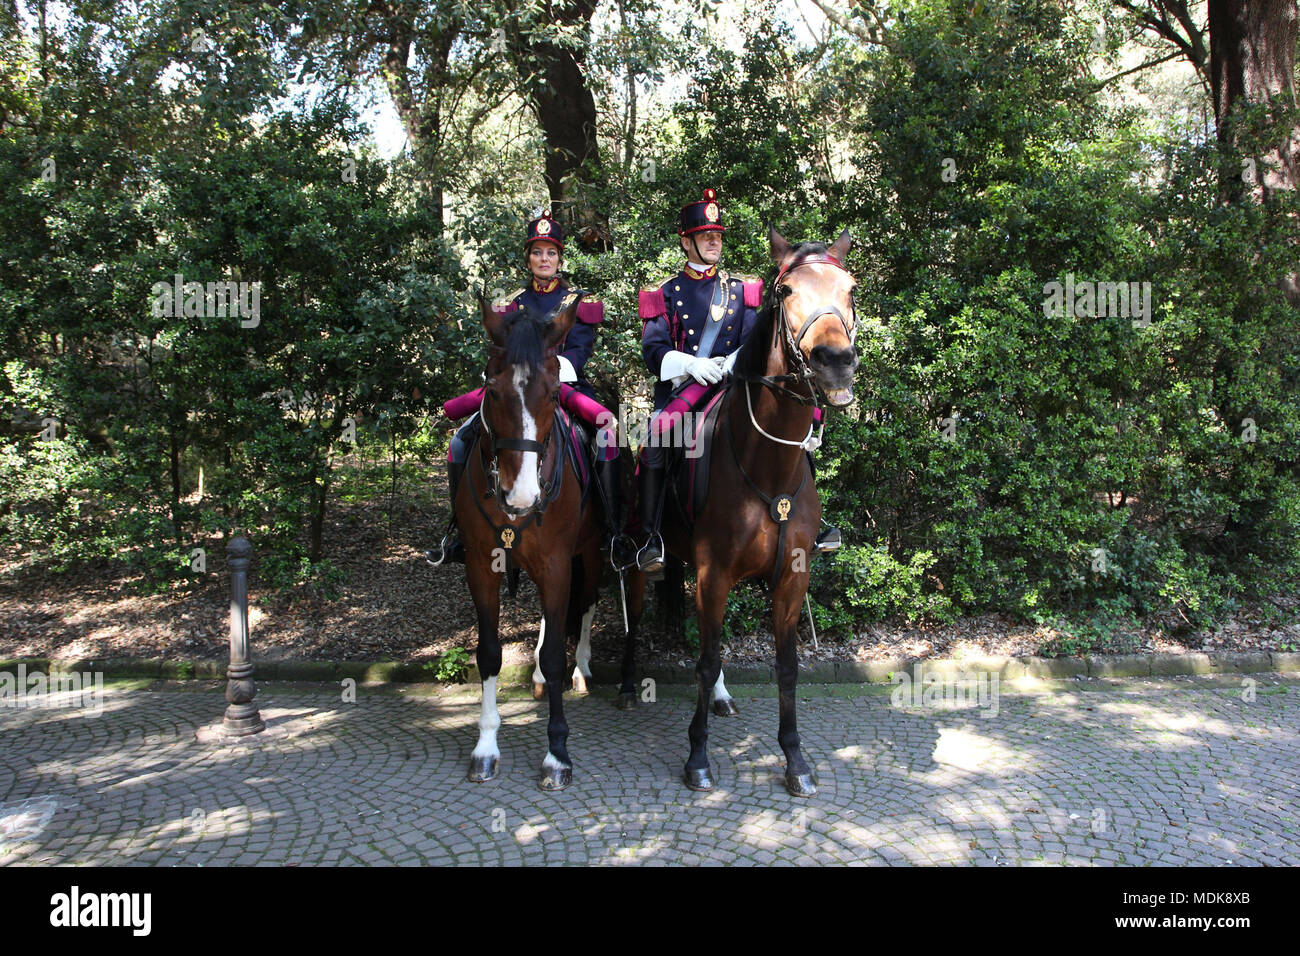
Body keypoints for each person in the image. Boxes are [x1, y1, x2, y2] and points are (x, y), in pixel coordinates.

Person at [633, 189, 840, 574]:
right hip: (685, 389)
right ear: (686, 240)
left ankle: (815, 523)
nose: (714, 241)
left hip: (734, 383)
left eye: (718, 235)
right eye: (705, 234)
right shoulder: (661, 292)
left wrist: (729, 363)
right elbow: (653, 350)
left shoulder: (741, 288)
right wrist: (692, 366)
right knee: (655, 439)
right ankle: (650, 537)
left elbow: (753, 339)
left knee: (794, 425)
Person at [427, 212, 621, 565]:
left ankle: (610, 530)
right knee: (460, 441)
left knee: (605, 442)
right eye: (537, 252)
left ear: (560, 259)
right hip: (515, 392)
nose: (544, 259)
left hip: (562, 385)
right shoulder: (510, 304)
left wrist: (547, 375)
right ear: (528, 258)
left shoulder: (578, 302)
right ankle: (458, 533)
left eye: (551, 253)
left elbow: (579, 350)